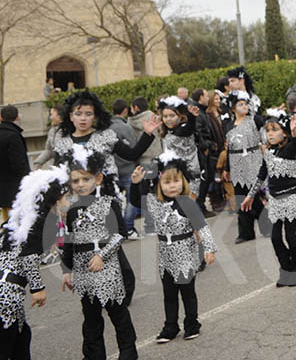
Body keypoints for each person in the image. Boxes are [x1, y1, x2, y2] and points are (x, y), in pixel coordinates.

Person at [60, 145, 138, 360]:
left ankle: (129, 353)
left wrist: (102, 256)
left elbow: (120, 234)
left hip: (108, 265)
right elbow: (70, 240)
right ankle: (94, 355)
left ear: (98, 179)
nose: (81, 184)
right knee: (91, 317)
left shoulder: (109, 204)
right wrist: (67, 269)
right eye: (76, 181)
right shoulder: (72, 210)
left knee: (118, 314)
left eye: (85, 179)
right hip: (84, 271)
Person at [130, 152, 217, 343]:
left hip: (185, 252)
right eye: (167, 182)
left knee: (187, 292)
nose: (172, 186)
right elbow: (137, 201)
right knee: (169, 294)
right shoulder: (156, 202)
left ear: (183, 181)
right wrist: (136, 183)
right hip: (165, 255)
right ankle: (170, 326)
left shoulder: (187, 203)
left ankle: (192, 324)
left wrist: (210, 248)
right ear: (160, 183)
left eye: (176, 181)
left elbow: (202, 226)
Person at [0, 165, 69, 359]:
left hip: (8, 290)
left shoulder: (26, 220)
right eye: (67, 197)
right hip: (7, 293)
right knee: (8, 344)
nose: (71, 201)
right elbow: (28, 256)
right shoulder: (37, 224)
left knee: (22, 337)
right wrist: (38, 289)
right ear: (53, 200)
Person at [241, 110, 296, 287]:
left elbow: (295, 142)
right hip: (275, 200)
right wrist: (249, 196)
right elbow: (261, 175)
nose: (270, 134)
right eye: (268, 130)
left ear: (284, 132)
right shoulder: (269, 154)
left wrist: (294, 131)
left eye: (274, 130)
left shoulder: (290, 149)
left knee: (291, 236)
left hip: (291, 197)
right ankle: (286, 270)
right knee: (276, 238)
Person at [223, 91, 266, 244]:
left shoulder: (254, 120)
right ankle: (246, 232)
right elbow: (228, 149)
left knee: (252, 194)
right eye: (240, 104)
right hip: (236, 162)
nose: (244, 106)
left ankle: (266, 224)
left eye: (245, 103)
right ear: (233, 108)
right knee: (241, 196)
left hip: (252, 160)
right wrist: (227, 169)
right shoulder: (228, 125)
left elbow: (268, 123)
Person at [157, 96, 203, 197]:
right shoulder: (167, 131)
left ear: (181, 116)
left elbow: (188, 129)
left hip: (189, 176)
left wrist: (191, 117)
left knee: (189, 207)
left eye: (172, 115)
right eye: (165, 116)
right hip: (174, 174)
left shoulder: (183, 128)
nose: (168, 119)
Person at [109, 99, 140, 239]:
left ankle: (119, 228)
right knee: (132, 200)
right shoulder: (126, 128)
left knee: (115, 202)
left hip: (112, 171)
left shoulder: (105, 128)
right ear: (125, 111)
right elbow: (133, 148)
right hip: (127, 168)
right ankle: (128, 227)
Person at [1, 106, 31, 223]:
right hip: (15, 188)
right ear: (17, 117)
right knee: (17, 222)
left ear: (1, 117)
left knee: (6, 220)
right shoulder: (14, 136)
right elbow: (19, 164)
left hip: (2, 188)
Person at [33, 103, 66, 169]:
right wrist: (38, 162)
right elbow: (49, 150)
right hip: (57, 166)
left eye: (52, 115)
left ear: (60, 116)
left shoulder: (69, 130)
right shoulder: (52, 131)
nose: (50, 118)